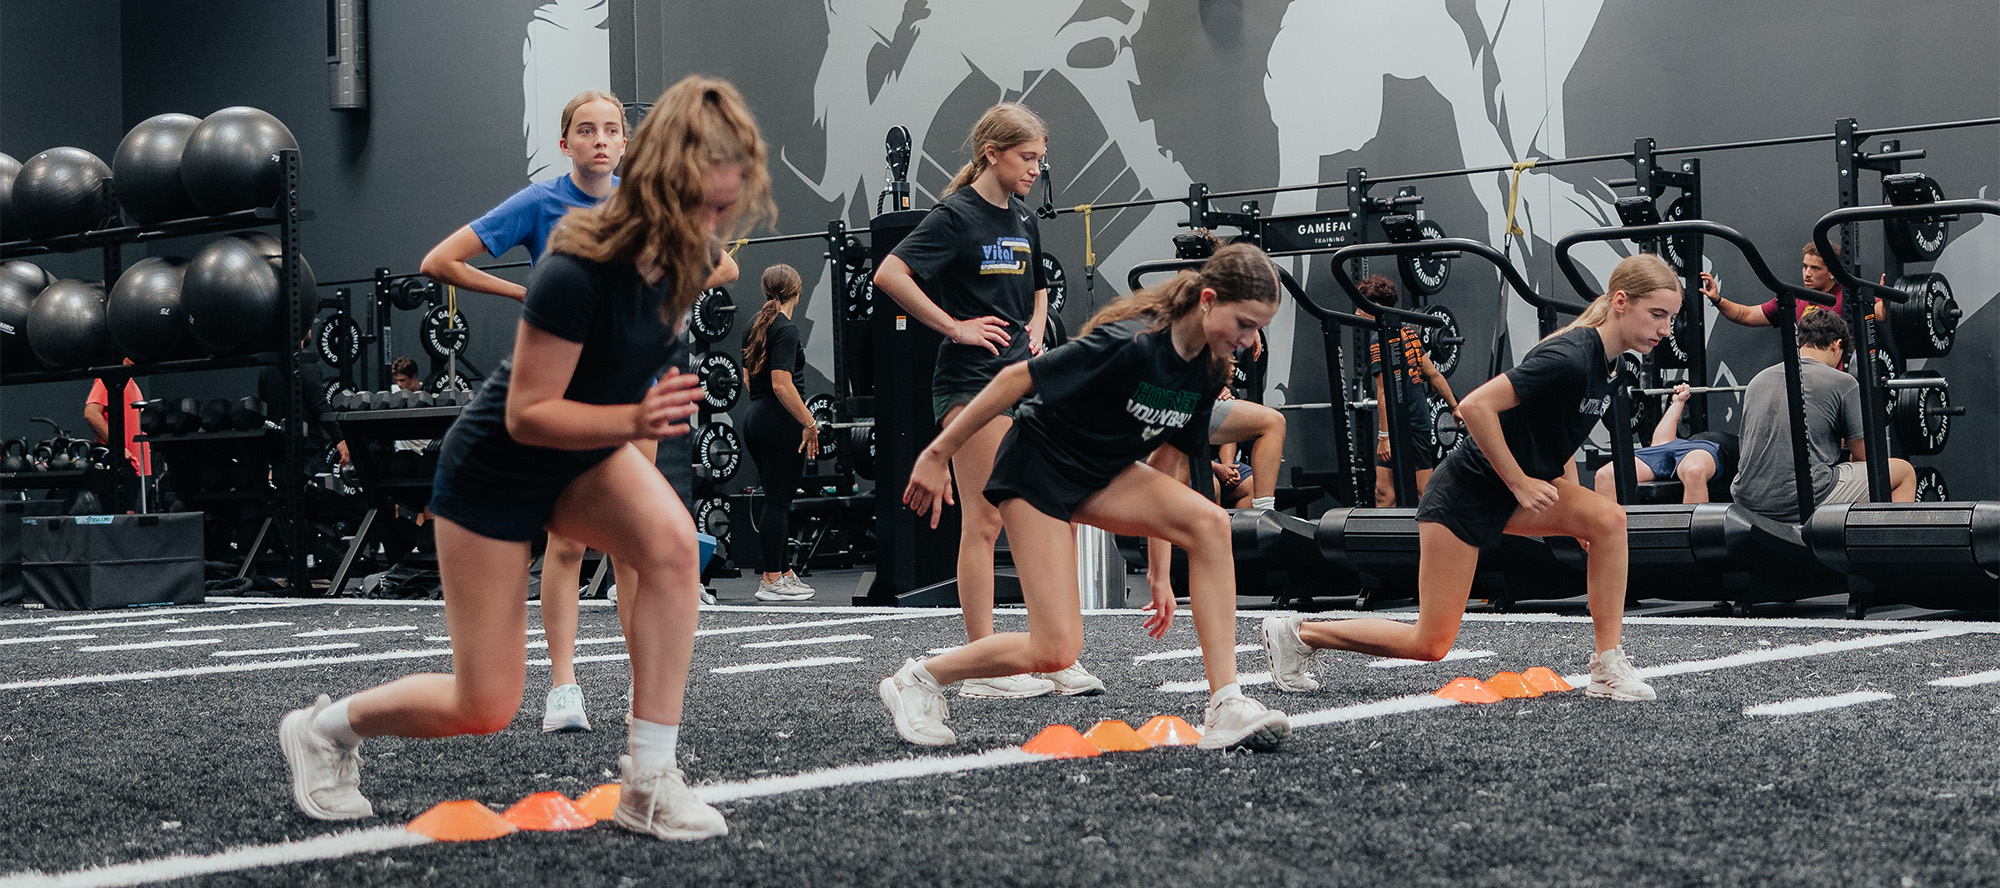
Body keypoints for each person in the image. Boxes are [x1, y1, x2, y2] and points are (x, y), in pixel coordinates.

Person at [279, 75, 774, 841]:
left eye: (725, 206)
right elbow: (529, 413)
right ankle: (324, 729)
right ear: (664, 178)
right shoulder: (573, 267)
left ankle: (649, 778)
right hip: (497, 466)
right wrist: (634, 417)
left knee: (675, 550)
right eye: (704, 203)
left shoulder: (682, 260)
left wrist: (631, 417)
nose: (715, 222)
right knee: (484, 705)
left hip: (584, 456)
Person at [886, 242, 1291, 750]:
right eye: (1246, 324)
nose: (1251, 341)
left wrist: (1161, 574)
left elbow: (1171, 462)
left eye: (1259, 329)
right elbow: (1015, 378)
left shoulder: (1208, 368)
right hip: (1038, 471)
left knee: (1210, 524)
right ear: (1208, 299)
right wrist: (938, 453)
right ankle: (919, 679)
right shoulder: (1131, 343)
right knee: (1056, 648)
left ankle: (1226, 702)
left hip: (1103, 474)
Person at [1261, 253, 1682, 702]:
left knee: (1609, 522)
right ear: (1621, 302)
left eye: (1671, 318)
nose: (1665, 329)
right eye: (1657, 315)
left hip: (1509, 492)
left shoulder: (1612, 367)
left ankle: (1607, 665)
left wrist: (1578, 516)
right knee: (1430, 643)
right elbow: (1475, 406)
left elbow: (1561, 440)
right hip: (1467, 494)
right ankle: (1299, 632)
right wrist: (1519, 481)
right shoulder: (1572, 355)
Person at [872, 102, 1096, 699]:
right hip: (970, 383)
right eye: (1027, 158)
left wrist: (1037, 326)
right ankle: (982, 671)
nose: (1035, 169)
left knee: (1051, 513)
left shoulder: (1024, 216)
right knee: (988, 519)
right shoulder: (954, 215)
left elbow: (1042, 286)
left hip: (1023, 380)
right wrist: (954, 326)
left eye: (1040, 160)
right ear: (991, 154)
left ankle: (1057, 652)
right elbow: (890, 275)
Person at [1730, 309, 1914, 523]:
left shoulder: (1758, 380)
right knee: (1903, 473)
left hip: (1746, 499)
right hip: (1799, 500)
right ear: (1836, 345)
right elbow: (1867, 457)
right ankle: (1885, 552)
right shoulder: (1843, 382)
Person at [739, 263, 820, 600]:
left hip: (755, 419)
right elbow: (782, 384)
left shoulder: (754, 325)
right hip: (778, 421)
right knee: (778, 501)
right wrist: (809, 423)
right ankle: (771, 579)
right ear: (797, 292)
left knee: (776, 498)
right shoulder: (786, 330)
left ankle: (783, 571)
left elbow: (748, 379)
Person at [1356, 274, 1456, 507]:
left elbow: (1384, 392)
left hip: (1408, 425)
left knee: (1424, 493)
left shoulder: (1379, 339)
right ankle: (1385, 542)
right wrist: (1454, 406)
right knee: (1384, 493)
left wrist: (1384, 438)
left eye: (1360, 306)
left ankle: (1432, 542)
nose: (1357, 312)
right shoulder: (1407, 331)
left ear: (1376, 306)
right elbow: (1433, 375)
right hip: (1406, 423)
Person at [1592, 383, 1721, 504]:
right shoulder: (1675, 443)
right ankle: (1618, 528)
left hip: (1707, 446)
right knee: (1605, 476)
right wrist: (1679, 401)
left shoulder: (1722, 440)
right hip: (1669, 446)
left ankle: (1690, 527)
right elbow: (1660, 443)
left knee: (1694, 471)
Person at [1702, 242, 1877, 330]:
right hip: (1801, 377)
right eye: (1805, 266)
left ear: (1832, 272)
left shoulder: (1847, 296)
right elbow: (1747, 315)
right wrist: (1718, 299)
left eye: (1815, 268)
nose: (1807, 273)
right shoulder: (1794, 298)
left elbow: (1881, 312)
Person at [84, 359, 150, 477]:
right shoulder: (110, 379)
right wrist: (118, 448)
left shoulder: (129, 382)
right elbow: (91, 414)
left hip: (133, 465)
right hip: (121, 463)